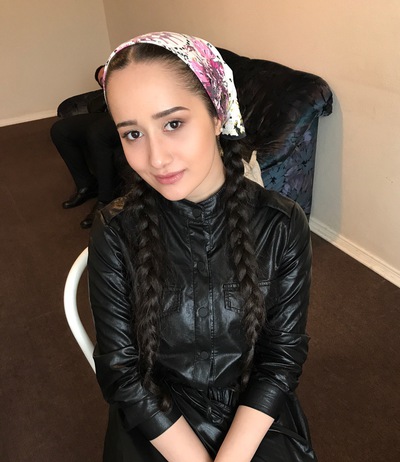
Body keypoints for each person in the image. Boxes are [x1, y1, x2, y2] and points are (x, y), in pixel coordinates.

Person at [88, 31, 317, 462]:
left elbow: (280, 359)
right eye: (132, 133)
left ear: (217, 114)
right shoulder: (116, 230)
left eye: (173, 124)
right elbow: (122, 373)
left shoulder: (281, 224)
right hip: (157, 419)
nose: (156, 158)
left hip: (252, 414)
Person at [51, 65, 124, 228]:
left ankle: (106, 200)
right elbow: (97, 108)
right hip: (109, 115)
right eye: (102, 80)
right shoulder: (105, 97)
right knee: (60, 130)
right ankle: (86, 185)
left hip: (131, 113)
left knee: (97, 132)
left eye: (108, 73)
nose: (106, 79)